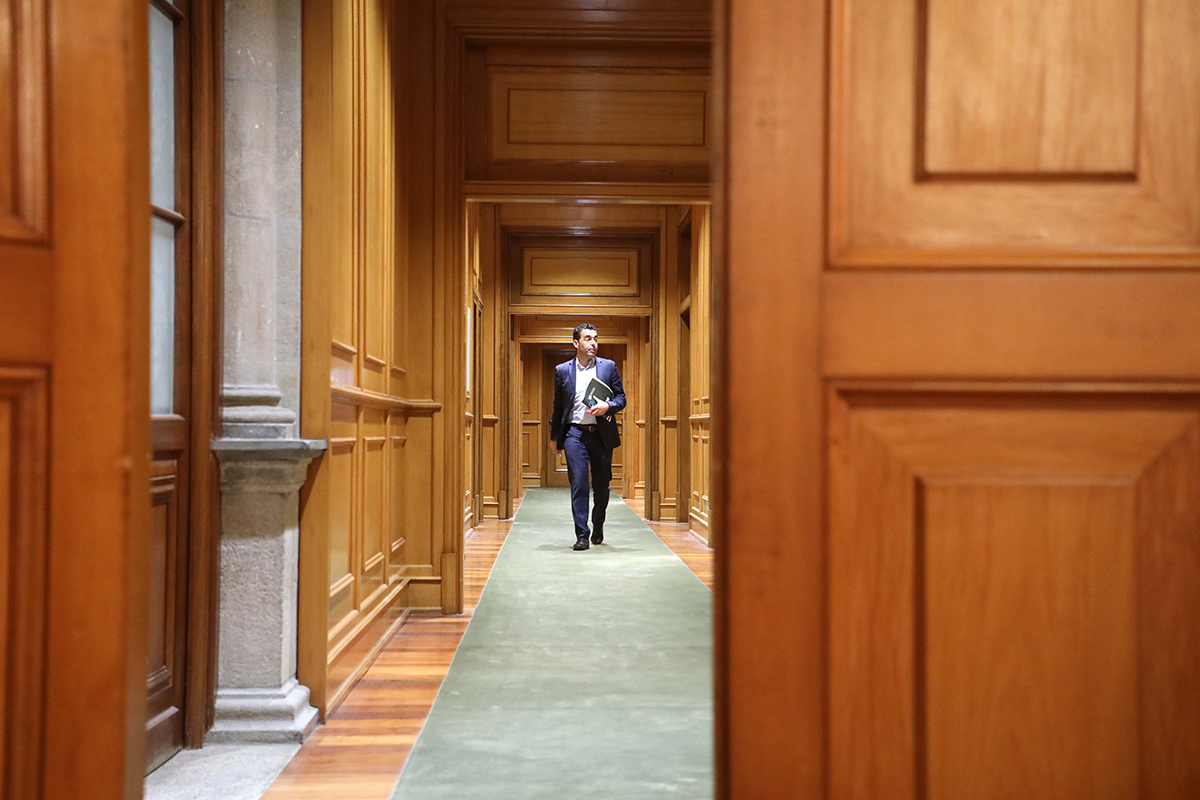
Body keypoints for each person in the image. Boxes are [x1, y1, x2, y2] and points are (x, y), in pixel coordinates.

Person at [550, 323, 626, 550]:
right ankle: (582, 535)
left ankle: (598, 523)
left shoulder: (608, 367)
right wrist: (555, 438)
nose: (593, 343)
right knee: (579, 483)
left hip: (601, 434)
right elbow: (558, 407)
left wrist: (608, 406)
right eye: (588, 339)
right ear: (576, 343)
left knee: (602, 486)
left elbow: (621, 398)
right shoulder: (563, 370)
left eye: (595, 338)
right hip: (574, 433)